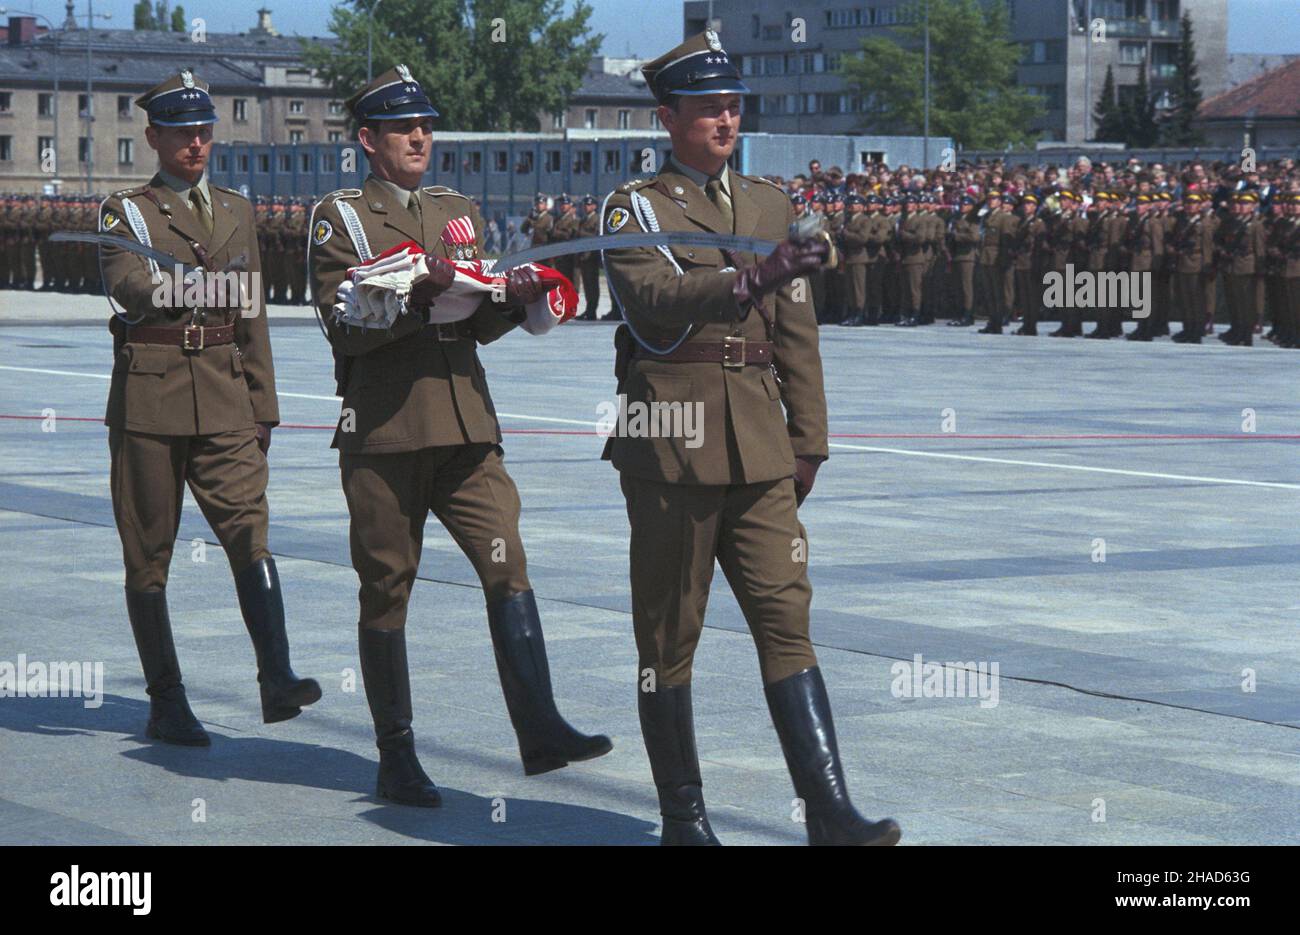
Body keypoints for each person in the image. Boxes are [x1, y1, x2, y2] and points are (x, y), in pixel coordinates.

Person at [599, 30, 900, 847]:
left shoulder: (769, 203)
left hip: (762, 448)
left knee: (785, 616)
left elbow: (797, 333)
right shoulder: (636, 207)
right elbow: (655, 299)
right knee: (669, 631)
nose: (725, 120)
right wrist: (747, 279)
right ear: (670, 118)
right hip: (671, 441)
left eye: (733, 107)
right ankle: (684, 818)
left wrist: (809, 442)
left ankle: (830, 810)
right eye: (708, 110)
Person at [307, 65, 610, 808]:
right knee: (386, 589)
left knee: (506, 558)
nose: (420, 137)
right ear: (368, 140)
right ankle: (397, 754)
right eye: (405, 128)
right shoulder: (340, 219)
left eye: (427, 126)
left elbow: (475, 322)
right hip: (383, 431)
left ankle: (540, 726)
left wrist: (515, 298)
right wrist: (420, 296)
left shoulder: (455, 209)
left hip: (466, 427)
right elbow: (343, 324)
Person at [98, 69, 320, 746]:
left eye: (203, 132)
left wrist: (265, 407)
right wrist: (189, 282)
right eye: (181, 133)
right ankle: (167, 700)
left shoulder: (234, 209)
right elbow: (131, 290)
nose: (196, 144)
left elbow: (251, 312)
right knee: (149, 555)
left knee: (250, 530)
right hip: (151, 398)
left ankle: (276, 674)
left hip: (225, 397)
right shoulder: (125, 213)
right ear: (154, 137)